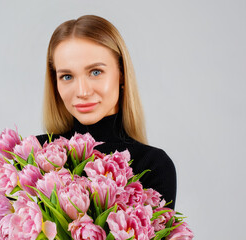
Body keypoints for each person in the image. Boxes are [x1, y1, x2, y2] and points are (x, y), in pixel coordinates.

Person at [36, 15, 177, 209]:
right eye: (67, 76)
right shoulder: (35, 155)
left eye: (95, 72)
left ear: (121, 73)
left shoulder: (153, 166)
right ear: (55, 82)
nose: (82, 92)